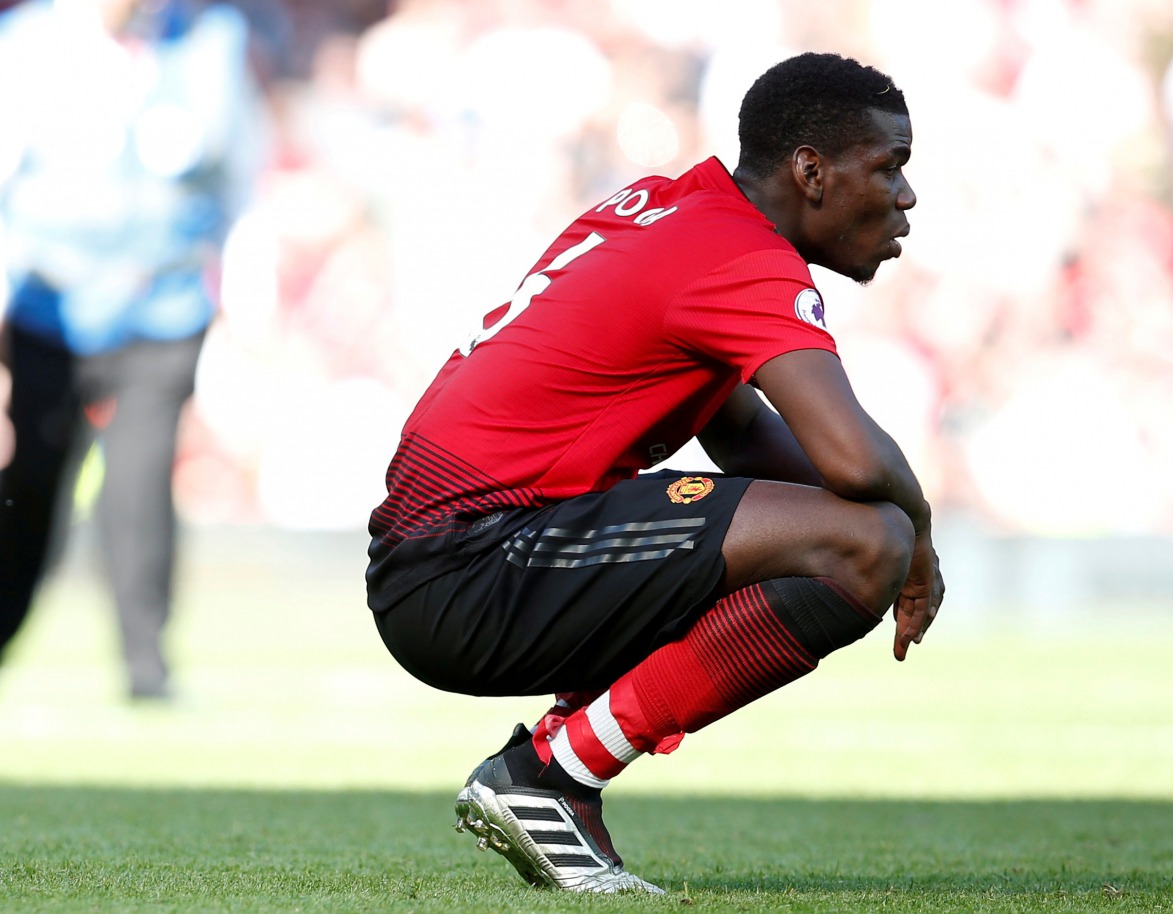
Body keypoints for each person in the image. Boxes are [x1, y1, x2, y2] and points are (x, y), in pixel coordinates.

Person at [366, 52, 945, 894]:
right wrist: (916, 536)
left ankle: (554, 767)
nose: (906, 196)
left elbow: (744, 438)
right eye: (889, 166)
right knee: (868, 539)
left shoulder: (671, 210)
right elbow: (854, 461)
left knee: (851, 536)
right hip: (470, 562)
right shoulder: (736, 253)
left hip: (449, 555)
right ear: (811, 172)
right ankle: (551, 778)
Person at [0, 0, 263, 699]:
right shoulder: (27, 43)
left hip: (163, 303)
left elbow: (239, 179)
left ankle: (147, 665)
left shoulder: (212, 41)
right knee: (27, 485)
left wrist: (242, 296)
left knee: (139, 489)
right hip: (44, 306)